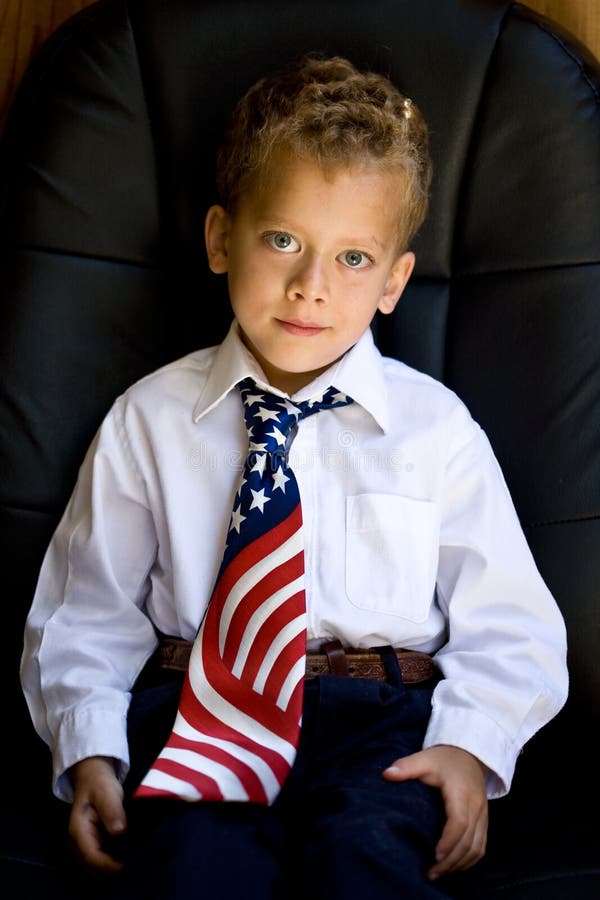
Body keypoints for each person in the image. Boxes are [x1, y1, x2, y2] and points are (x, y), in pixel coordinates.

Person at [20, 54, 568, 899]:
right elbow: (85, 612)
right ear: (220, 239)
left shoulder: (436, 431)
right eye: (283, 241)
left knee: (367, 866)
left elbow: (512, 626)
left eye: (353, 259)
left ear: (394, 282)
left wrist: (470, 745)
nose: (311, 287)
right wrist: (90, 748)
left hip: (384, 726)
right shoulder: (148, 420)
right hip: (197, 709)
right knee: (194, 870)